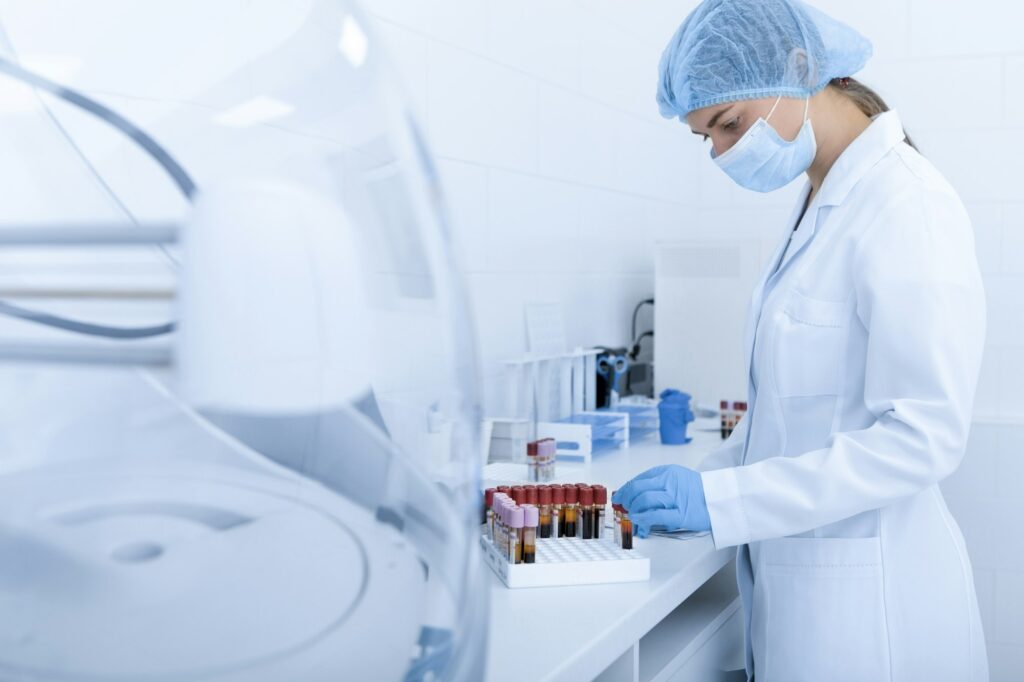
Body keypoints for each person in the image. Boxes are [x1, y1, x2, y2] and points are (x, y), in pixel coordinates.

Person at [612, 1, 989, 680]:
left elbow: (923, 436)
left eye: (727, 124)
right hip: (806, 601)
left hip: (876, 620)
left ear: (799, 69)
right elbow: (793, 419)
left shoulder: (907, 203)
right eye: (706, 139)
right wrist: (709, 480)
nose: (722, 153)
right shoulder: (820, 200)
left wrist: (722, 503)